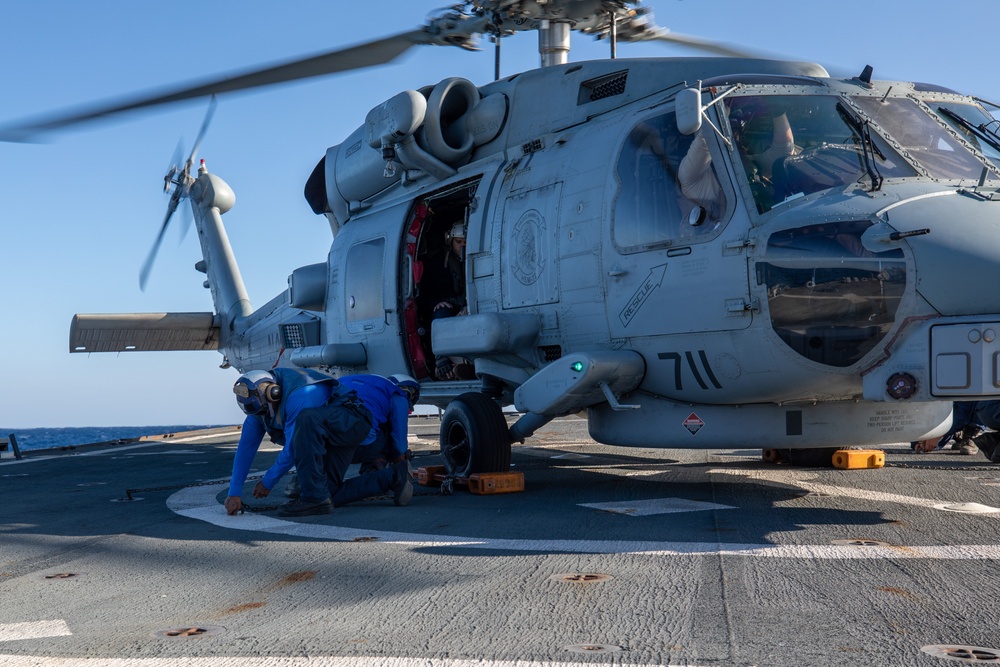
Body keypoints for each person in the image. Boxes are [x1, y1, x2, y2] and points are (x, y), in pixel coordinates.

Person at [225, 368, 418, 517]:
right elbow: (246, 448)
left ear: (273, 393)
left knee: (306, 420)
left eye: (261, 410)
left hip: (354, 420)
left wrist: (268, 482)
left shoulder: (301, 394)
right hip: (334, 433)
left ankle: (312, 497)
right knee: (329, 494)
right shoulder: (259, 410)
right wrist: (234, 492)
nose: (261, 416)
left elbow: (293, 447)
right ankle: (393, 477)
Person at [420, 222, 468, 380]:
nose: (462, 246)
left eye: (465, 242)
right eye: (458, 242)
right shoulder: (438, 264)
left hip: (470, 305)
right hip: (447, 306)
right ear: (451, 241)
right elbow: (423, 292)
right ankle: (442, 362)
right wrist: (436, 303)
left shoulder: (476, 260)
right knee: (440, 316)